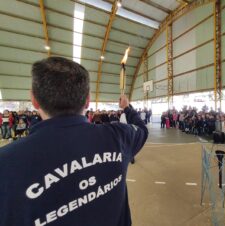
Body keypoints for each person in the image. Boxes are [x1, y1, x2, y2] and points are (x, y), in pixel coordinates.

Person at [0, 57, 148, 226]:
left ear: (34, 100)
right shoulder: (117, 136)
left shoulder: (6, 164)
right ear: (87, 101)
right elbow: (141, 130)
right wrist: (127, 108)